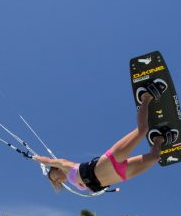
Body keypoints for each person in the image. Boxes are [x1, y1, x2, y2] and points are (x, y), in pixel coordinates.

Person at [34, 81, 172, 193]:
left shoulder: (65, 166)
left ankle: (146, 97)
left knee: (143, 130)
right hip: (120, 175)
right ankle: (159, 139)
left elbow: (49, 161)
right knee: (155, 157)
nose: (57, 180)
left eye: (54, 176)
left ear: (56, 169)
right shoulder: (74, 184)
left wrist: (39, 159)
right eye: (55, 181)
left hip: (108, 162)